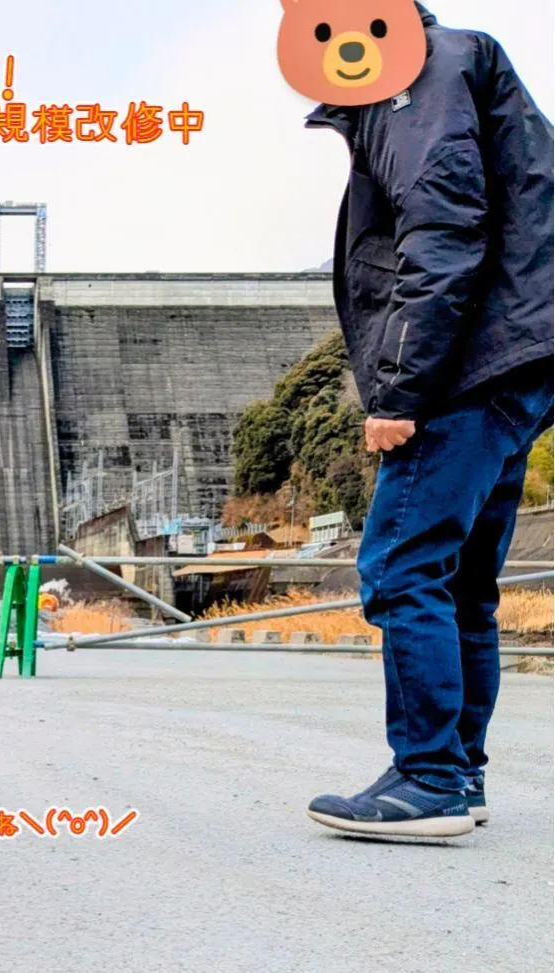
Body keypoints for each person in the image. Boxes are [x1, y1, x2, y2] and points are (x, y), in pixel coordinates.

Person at [303, 3, 554, 837]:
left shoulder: (411, 78)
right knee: (462, 583)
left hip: (467, 366)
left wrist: (398, 392)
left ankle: (429, 778)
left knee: (402, 567)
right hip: (513, 359)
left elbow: (442, 234)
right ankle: (459, 774)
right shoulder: (453, 62)